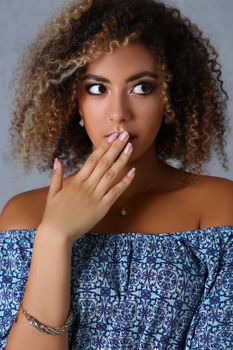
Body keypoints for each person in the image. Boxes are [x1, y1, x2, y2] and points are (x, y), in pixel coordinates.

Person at [0, 0, 233, 348]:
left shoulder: (218, 208)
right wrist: (54, 236)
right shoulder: (24, 217)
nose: (119, 114)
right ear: (74, 100)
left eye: (142, 88)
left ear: (171, 99)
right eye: (97, 88)